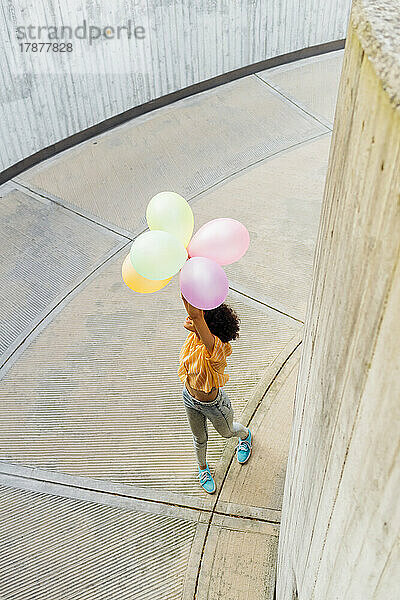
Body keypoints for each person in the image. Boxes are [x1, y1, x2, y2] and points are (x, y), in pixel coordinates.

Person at [179, 295, 252, 494]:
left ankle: (245, 436)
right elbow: (193, 310)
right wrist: (186, 281)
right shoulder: (195, 337)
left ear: (209, 330)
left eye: (200, 322)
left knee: (227, 432)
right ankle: (203, 469)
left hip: (214, 406)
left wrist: (197, 319)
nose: (191, 319)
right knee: (199, 438)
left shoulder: (217, 349)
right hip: (189, 398)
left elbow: (196, 316)